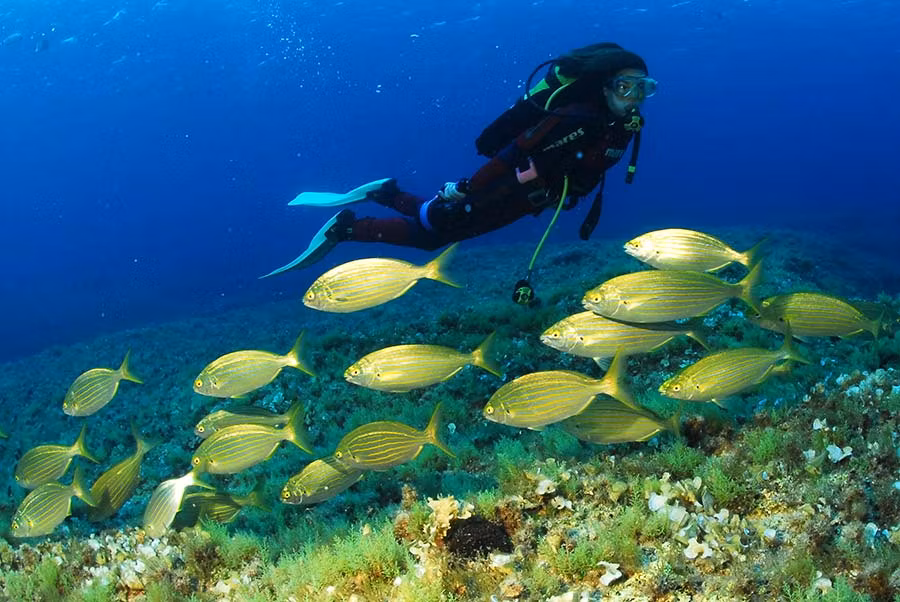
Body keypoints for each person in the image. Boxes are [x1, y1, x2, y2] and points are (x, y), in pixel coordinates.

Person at [264, 42, 656, 278]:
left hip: (531, 199)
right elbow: (513, 153)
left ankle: (386, 193)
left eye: (644, 89)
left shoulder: (621, 124)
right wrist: (469, 186)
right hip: (504, 188)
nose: (634, 98)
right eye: (626, 87)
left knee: (434, 222)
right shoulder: (574, 117)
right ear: (605, 87)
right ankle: (347, 228)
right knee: (433, 232)